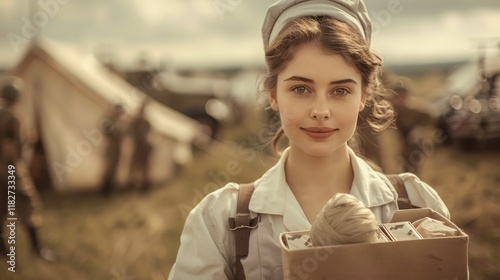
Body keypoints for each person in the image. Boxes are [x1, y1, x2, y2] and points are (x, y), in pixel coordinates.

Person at [168, 0, 450, 279]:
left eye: (340, 91)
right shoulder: (218, 220)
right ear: (273, 94)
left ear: (364, 95)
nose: (320, 111)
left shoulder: (417, 205)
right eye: (301, 88)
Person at [0, 77, 56, 262]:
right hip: (10, 169)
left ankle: (3, 248)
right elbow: (16, 146)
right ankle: (37, 249)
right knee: (28, 204)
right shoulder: (13, 116)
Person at [127, 98, 152, 192]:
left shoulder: (146, 123)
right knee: (134, 168)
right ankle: (132, 185)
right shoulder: (135, 123)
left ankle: (144, 186)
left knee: (144, 168)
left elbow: (148, 135)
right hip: (137, 148)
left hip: (144, 149)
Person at [101, 102, 125, 196]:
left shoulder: (120, 122)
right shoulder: (109, 120)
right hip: (111, 146)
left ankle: (111, 188)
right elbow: (105, 130)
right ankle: (105, 189)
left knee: (114, 168)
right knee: (109, 168)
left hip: (117, 146)